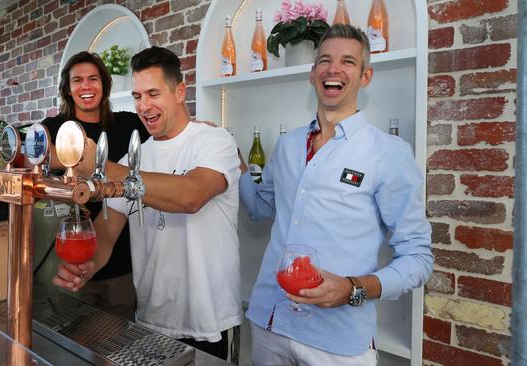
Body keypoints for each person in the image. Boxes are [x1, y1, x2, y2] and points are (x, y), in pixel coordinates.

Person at [238, 24, 434, 365]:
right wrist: (235, 164)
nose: (334, 68)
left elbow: (419, 258)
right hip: (270, 322)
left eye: (348, 61)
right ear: (313, 74)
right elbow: (259, 208)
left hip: (337, 341)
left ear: (365, 76)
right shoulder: (286, 146)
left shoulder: (388, 153)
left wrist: (352, 288)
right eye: (325, 60)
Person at [52, 46, 243, 360]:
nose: (144, 106)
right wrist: (88, 265)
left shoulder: (214, 140)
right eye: (138, 96)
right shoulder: (136, 156)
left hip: (211, 321)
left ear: (179, 92)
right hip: (152, 319)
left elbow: (190, 196)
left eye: (153, 93)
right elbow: (107, 230)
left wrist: (100, 168)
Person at [40, 51, 150, 320]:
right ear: (68, 89)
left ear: (105, 85)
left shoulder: (129, 124)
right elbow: (30, 152)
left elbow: (167, 131)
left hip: (123, 262)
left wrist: (198, 126)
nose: (86, 86)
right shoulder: (54, 127)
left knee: (116, 345)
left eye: (93, 78)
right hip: (69, 262)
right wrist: (65, 157)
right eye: (77, 80)